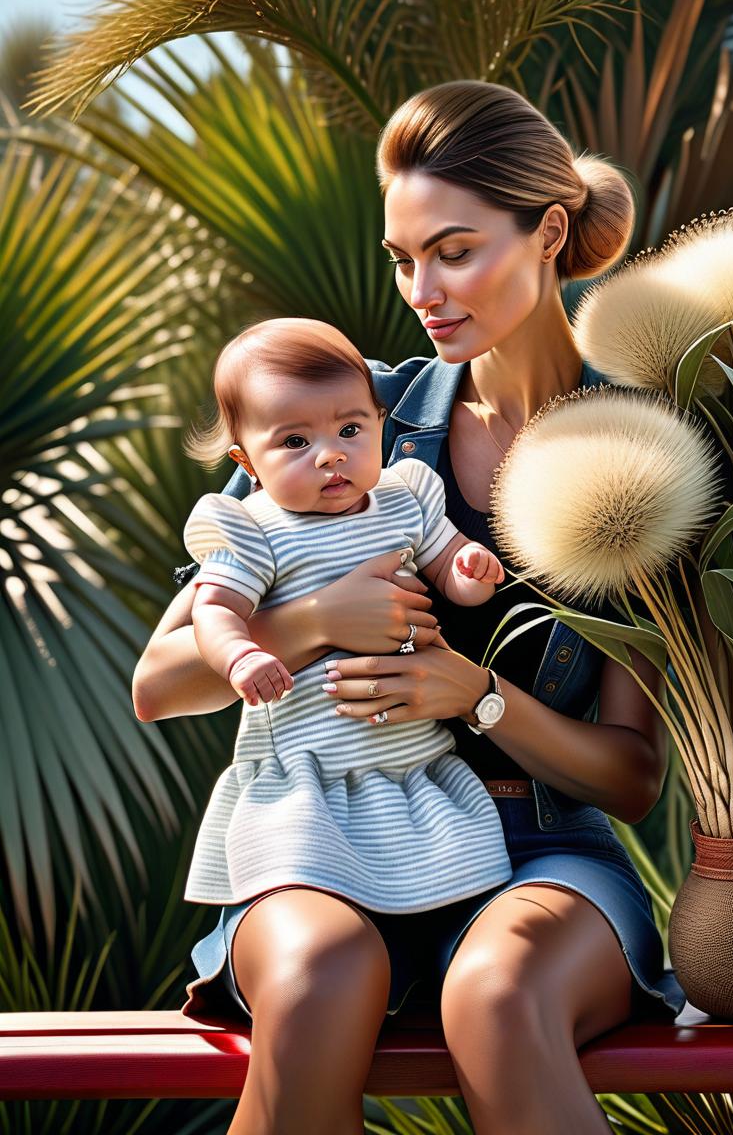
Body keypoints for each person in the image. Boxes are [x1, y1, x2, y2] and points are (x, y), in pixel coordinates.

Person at [133, 80, 685, 1135]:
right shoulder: (342, 425)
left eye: (453, 249)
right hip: (324, 842)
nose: (421, 288)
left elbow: (631, 778)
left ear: (548, 233)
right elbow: (160, 684)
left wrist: (475, 698)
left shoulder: (642, 455)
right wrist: (310, 622)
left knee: (502, 997)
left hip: (545, 852)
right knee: (312, 986)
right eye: (402, 259)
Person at [180, 315, 511, 917]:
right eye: (294, 442)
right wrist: (242, 654)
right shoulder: (255, 529)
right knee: (315, 888)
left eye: (350, 429)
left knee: (450, 890)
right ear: (247, 462)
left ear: (380, 426)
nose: (330, 455)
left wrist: (469, 571)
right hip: (306, 771)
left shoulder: (404, 499)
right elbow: (215, 609)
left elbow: (445, 569)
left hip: (411, 757)